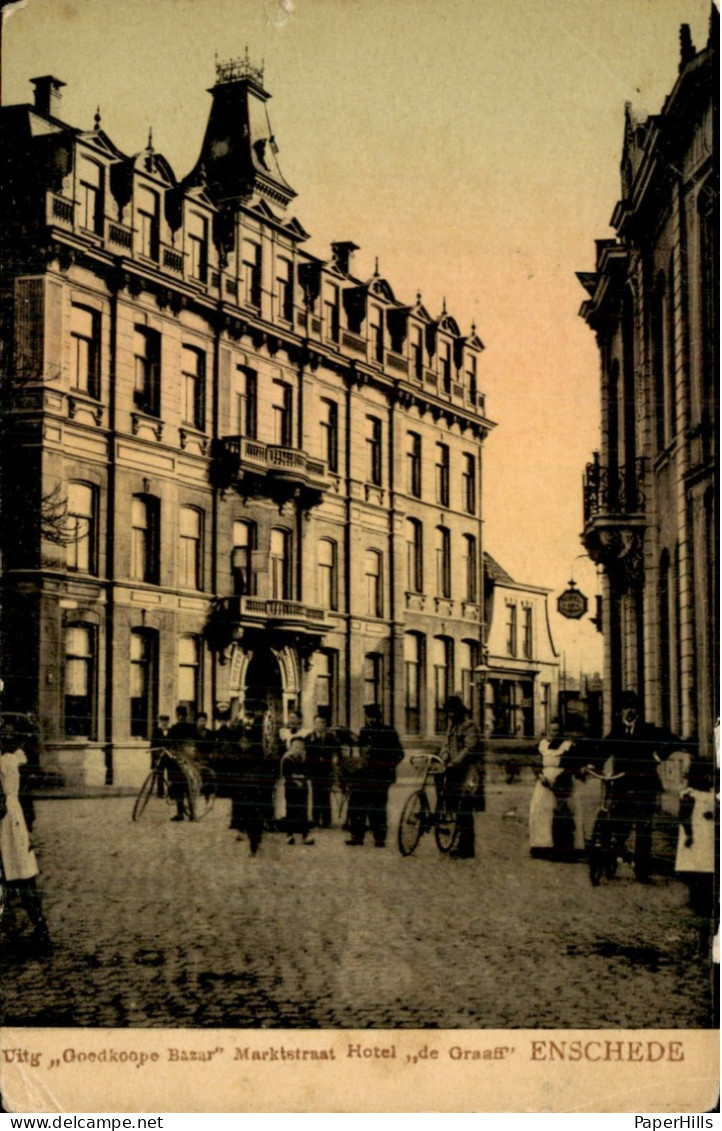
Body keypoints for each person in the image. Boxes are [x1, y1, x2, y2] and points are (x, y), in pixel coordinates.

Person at [594, 689, 680, 883]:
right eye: (625, 708)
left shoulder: (648, 730)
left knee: (643, 828)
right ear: (620, 711)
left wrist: (659, 756)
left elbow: (672, 740)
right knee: (619, 825)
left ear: (637, 711)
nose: (629, 712)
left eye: (632, 707)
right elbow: (602, 750)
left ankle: (642, 872)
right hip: (622, 784)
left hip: (645, 785)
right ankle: (613, 858)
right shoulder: (616, 731)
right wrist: (593, 764)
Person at [0, 725, 51, 956]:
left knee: (19, 875)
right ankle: (41, 932)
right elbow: (26, 794)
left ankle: (40, 934)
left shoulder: (6, 762)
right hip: (15, 819)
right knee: (23, 875)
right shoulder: (14, 760)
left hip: (6, 823)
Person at [346, 704, 404, 848]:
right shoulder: (365, 731)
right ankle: (360, 837)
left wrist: (386, 766)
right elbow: (362, 750)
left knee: (374, 806)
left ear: (378, 717)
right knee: (359, 804)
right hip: (367, 775)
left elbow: (399, 754)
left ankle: (376, 838)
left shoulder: (388, 732)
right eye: (369, 716)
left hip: (380, 776)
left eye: (372, 716)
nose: (370, 719)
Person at [529, 719, 586, 859]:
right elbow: (535, 762)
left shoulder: (567, 746)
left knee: (565, 810)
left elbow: (571, 764)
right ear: (548, 731)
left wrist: (561, 779)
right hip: (544, 783)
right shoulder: (542, 745)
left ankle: (565, 846)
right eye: (552, 730)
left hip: (562, 782)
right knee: (540, 811)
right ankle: (541, 845)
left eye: (557, 730)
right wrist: (540, 775)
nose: (554, 733)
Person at [439, 696, 485, 859]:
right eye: (448, 712)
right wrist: (443, 756)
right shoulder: (452, 726)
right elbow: (445, 743)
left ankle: (467, 847)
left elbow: (468, 748)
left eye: (453, 712)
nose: (450, 715)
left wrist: (454, 761)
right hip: (454, 770)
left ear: (459, 711)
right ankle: (459, 841)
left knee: (465, 808)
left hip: (468, 772)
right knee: (455, 806)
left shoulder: (469, 726)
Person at [675, 758, 716, 916]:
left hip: (707, 835)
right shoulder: (689, 795)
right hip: (693, 835)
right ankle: (696, 897)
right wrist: (689, 834)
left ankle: (704, 898)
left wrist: (713, 814)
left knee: (705, 867)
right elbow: (684, 816)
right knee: (692, 868)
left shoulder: (712, 795)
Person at [229, 710, 267, 856]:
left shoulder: (259, 732)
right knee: (240, 807)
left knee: (254, 813)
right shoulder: (238, 729)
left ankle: (254, 842)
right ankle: (241, 829)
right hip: (241, 780)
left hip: (254, 781)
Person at [305, 712, 339, 829]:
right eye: (318, 722)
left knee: (325, 793)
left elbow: (336, 750)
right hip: (314, 769)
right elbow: (306, 753)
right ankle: (315, 818)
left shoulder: (330, 737)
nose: (320, 725)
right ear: (314, 724)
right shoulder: (309, 737)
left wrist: (335, 757)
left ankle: (326, 819)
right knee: (315, 793)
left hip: (326, 769)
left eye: (323, 722)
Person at [165, 705, 196, 821]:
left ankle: (180, 813)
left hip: (178, 762)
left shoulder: (174, 728)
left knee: (178, 786)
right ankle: (192, 813)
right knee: (188, 786)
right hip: (189, 761)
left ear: (177, 715)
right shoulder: (191, 727)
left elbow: (168, 743)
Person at [281, 736, 314, 845]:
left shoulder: (305, 759)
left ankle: (305, 834)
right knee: (291, 810)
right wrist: (296, 779)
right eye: (295, 747)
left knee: (303, 810)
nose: (298, 750)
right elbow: (286, 773)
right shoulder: (287, 758)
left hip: (303, 788)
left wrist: (302, 777)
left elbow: (308, 772)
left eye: (300, 747)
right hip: (291, 788)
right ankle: (289, 834)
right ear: (291, 747)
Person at [150, 713, 172, 797]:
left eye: (166, 721)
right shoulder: (156, 732)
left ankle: (171, 793)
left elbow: (173, 744)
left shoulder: (171, 731)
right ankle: (160, 793)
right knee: (160, 775)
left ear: (168, 722)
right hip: (160, 757)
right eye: (162, 721)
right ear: (160, 722)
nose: (164, 723)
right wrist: (154, 759)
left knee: (171, 775)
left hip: (169, 757)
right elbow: (153, 746)